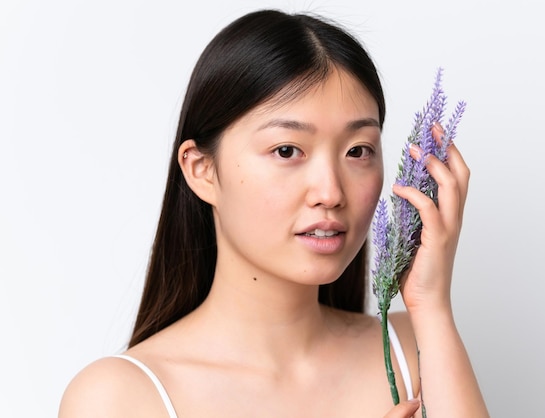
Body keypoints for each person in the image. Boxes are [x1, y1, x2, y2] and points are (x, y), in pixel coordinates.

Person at [59, 9, 489, 418]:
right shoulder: (119, 398)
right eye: (287, 150)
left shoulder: (411, 348)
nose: (330, 192)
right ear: (202, 170)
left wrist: (430, 305)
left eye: (358, 151)